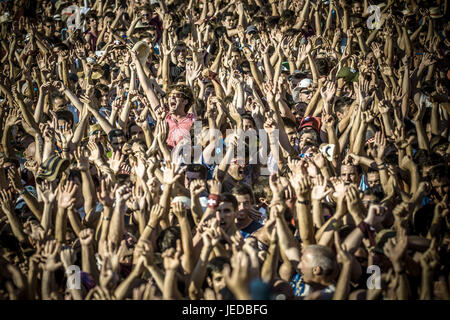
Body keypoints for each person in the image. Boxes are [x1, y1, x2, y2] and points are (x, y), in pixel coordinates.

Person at [0, 0, 448, 302]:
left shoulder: (251, 171)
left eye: (237, 151)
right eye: (226, 151)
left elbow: (292, 236)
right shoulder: (211, 171)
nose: (234, 155)